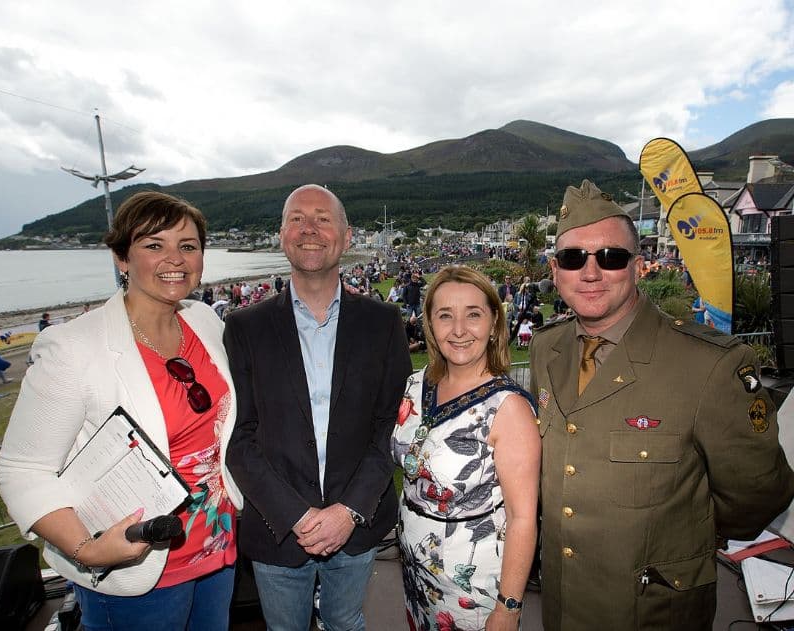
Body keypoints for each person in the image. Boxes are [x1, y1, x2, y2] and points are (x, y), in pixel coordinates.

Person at [529, 179, 794, 631]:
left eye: (610, 257)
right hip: (563, 601)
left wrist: (685, 530)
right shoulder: (546, 349)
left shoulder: (709, 364)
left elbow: (758, 494)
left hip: (652, 608)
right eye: (573, 258)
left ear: (639, 267)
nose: (590, 273)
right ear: (556, 271)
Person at [0, 191, 243, 631]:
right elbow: (21, 470)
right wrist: (88, 549)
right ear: (121, 258)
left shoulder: (205, 322)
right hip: (137, 566)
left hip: (215, 545)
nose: (175, 259)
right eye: (154, 245)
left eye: (188, 246)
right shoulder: (74, 348)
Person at [224, 184, 411, 631]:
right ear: (282, 235)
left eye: (323, 218)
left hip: (358, 523)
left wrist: (348, 511)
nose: (309, 228)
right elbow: (236, 434)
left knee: (346, 621)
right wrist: (298, 516)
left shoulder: (383, 323)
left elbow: (395, 423)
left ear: (347, 238)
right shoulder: (243, 327)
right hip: (277, 526)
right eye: (297, 218)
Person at [392, 265, 541, 631]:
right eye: (445, 315)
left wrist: (508, 607)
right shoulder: (415, 384)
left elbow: (523, 518)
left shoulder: (508, 409)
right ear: (429, 323)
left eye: (473, 314)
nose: (458, 330)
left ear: (494, 324)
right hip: (415, 568)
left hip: (470, 585)